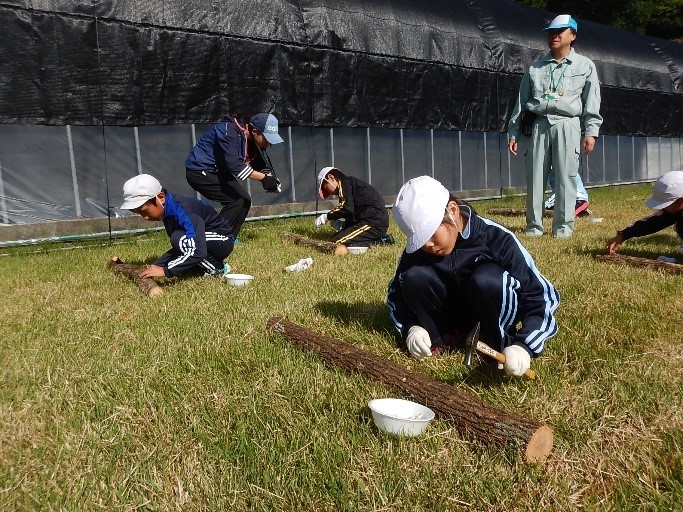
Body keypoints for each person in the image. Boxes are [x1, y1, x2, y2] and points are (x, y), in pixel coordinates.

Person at [386, 176, 560, 377]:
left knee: (487, 280)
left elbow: (541, 295)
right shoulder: (418, 251)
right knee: (414, 276)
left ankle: (497, 342)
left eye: (431, 234)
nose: (428, 245)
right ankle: (440, 339)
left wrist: (525, 345)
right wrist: (411, 329)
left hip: (489, 314)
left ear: (452, 210)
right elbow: (396, 296)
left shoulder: (495, 238)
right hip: (447, 319)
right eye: (420, 240)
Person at [508, 14, 602, 238]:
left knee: (566, 177)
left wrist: (591, 132)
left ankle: (563, 228)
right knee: (535, 176)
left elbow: (592, 102)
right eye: (551, 32)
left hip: (567, 125)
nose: (554, 36)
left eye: (560, 32)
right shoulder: (536, 68)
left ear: (573, 35)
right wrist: (514, 131)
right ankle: (533, 227)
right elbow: (521, 103)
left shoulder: (585, 66)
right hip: (540, 125)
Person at [185, 112, 284, 237]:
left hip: (218, 172)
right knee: (235, 201)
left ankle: (229, 238)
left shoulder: (249, 138)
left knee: (245, 201)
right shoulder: (229, 131)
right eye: (267, 138)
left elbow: (259, 163)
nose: (269, 144)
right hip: (199, 171)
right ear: (255, 131)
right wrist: (264, 179)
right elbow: (235, 166)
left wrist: (271, 179)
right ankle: (213, 237)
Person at [120, 174, 234, 278]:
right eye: (139, 213)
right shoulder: (168, 210)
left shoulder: (185, 212)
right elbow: (179, 248)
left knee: (179, 238)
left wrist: (166, 270)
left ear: (161, 197)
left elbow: (199, 250)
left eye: (145, 211)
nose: (144, 217)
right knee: (179, 239)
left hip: (223, 240)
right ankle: (199, 266)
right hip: (205, 240)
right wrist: (157, 265)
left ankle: (218, 269)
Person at [606, 171, 683, 255]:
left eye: (666, 204)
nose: (663, 208)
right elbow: (655, 222)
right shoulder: (675, 209)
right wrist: (623, 235)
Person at [314, 166, 391, 247]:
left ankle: (381, 241)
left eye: (326, 188)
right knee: (338, 237)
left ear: (331, 177)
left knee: (334, 243)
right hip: (372, 221)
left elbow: (346, 208)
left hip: (372, 222)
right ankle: (382, 240)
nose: (329, 193)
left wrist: (327, 216)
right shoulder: (349, 184)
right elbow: (354, 210)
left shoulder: (344, 183)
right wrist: (344, 225)